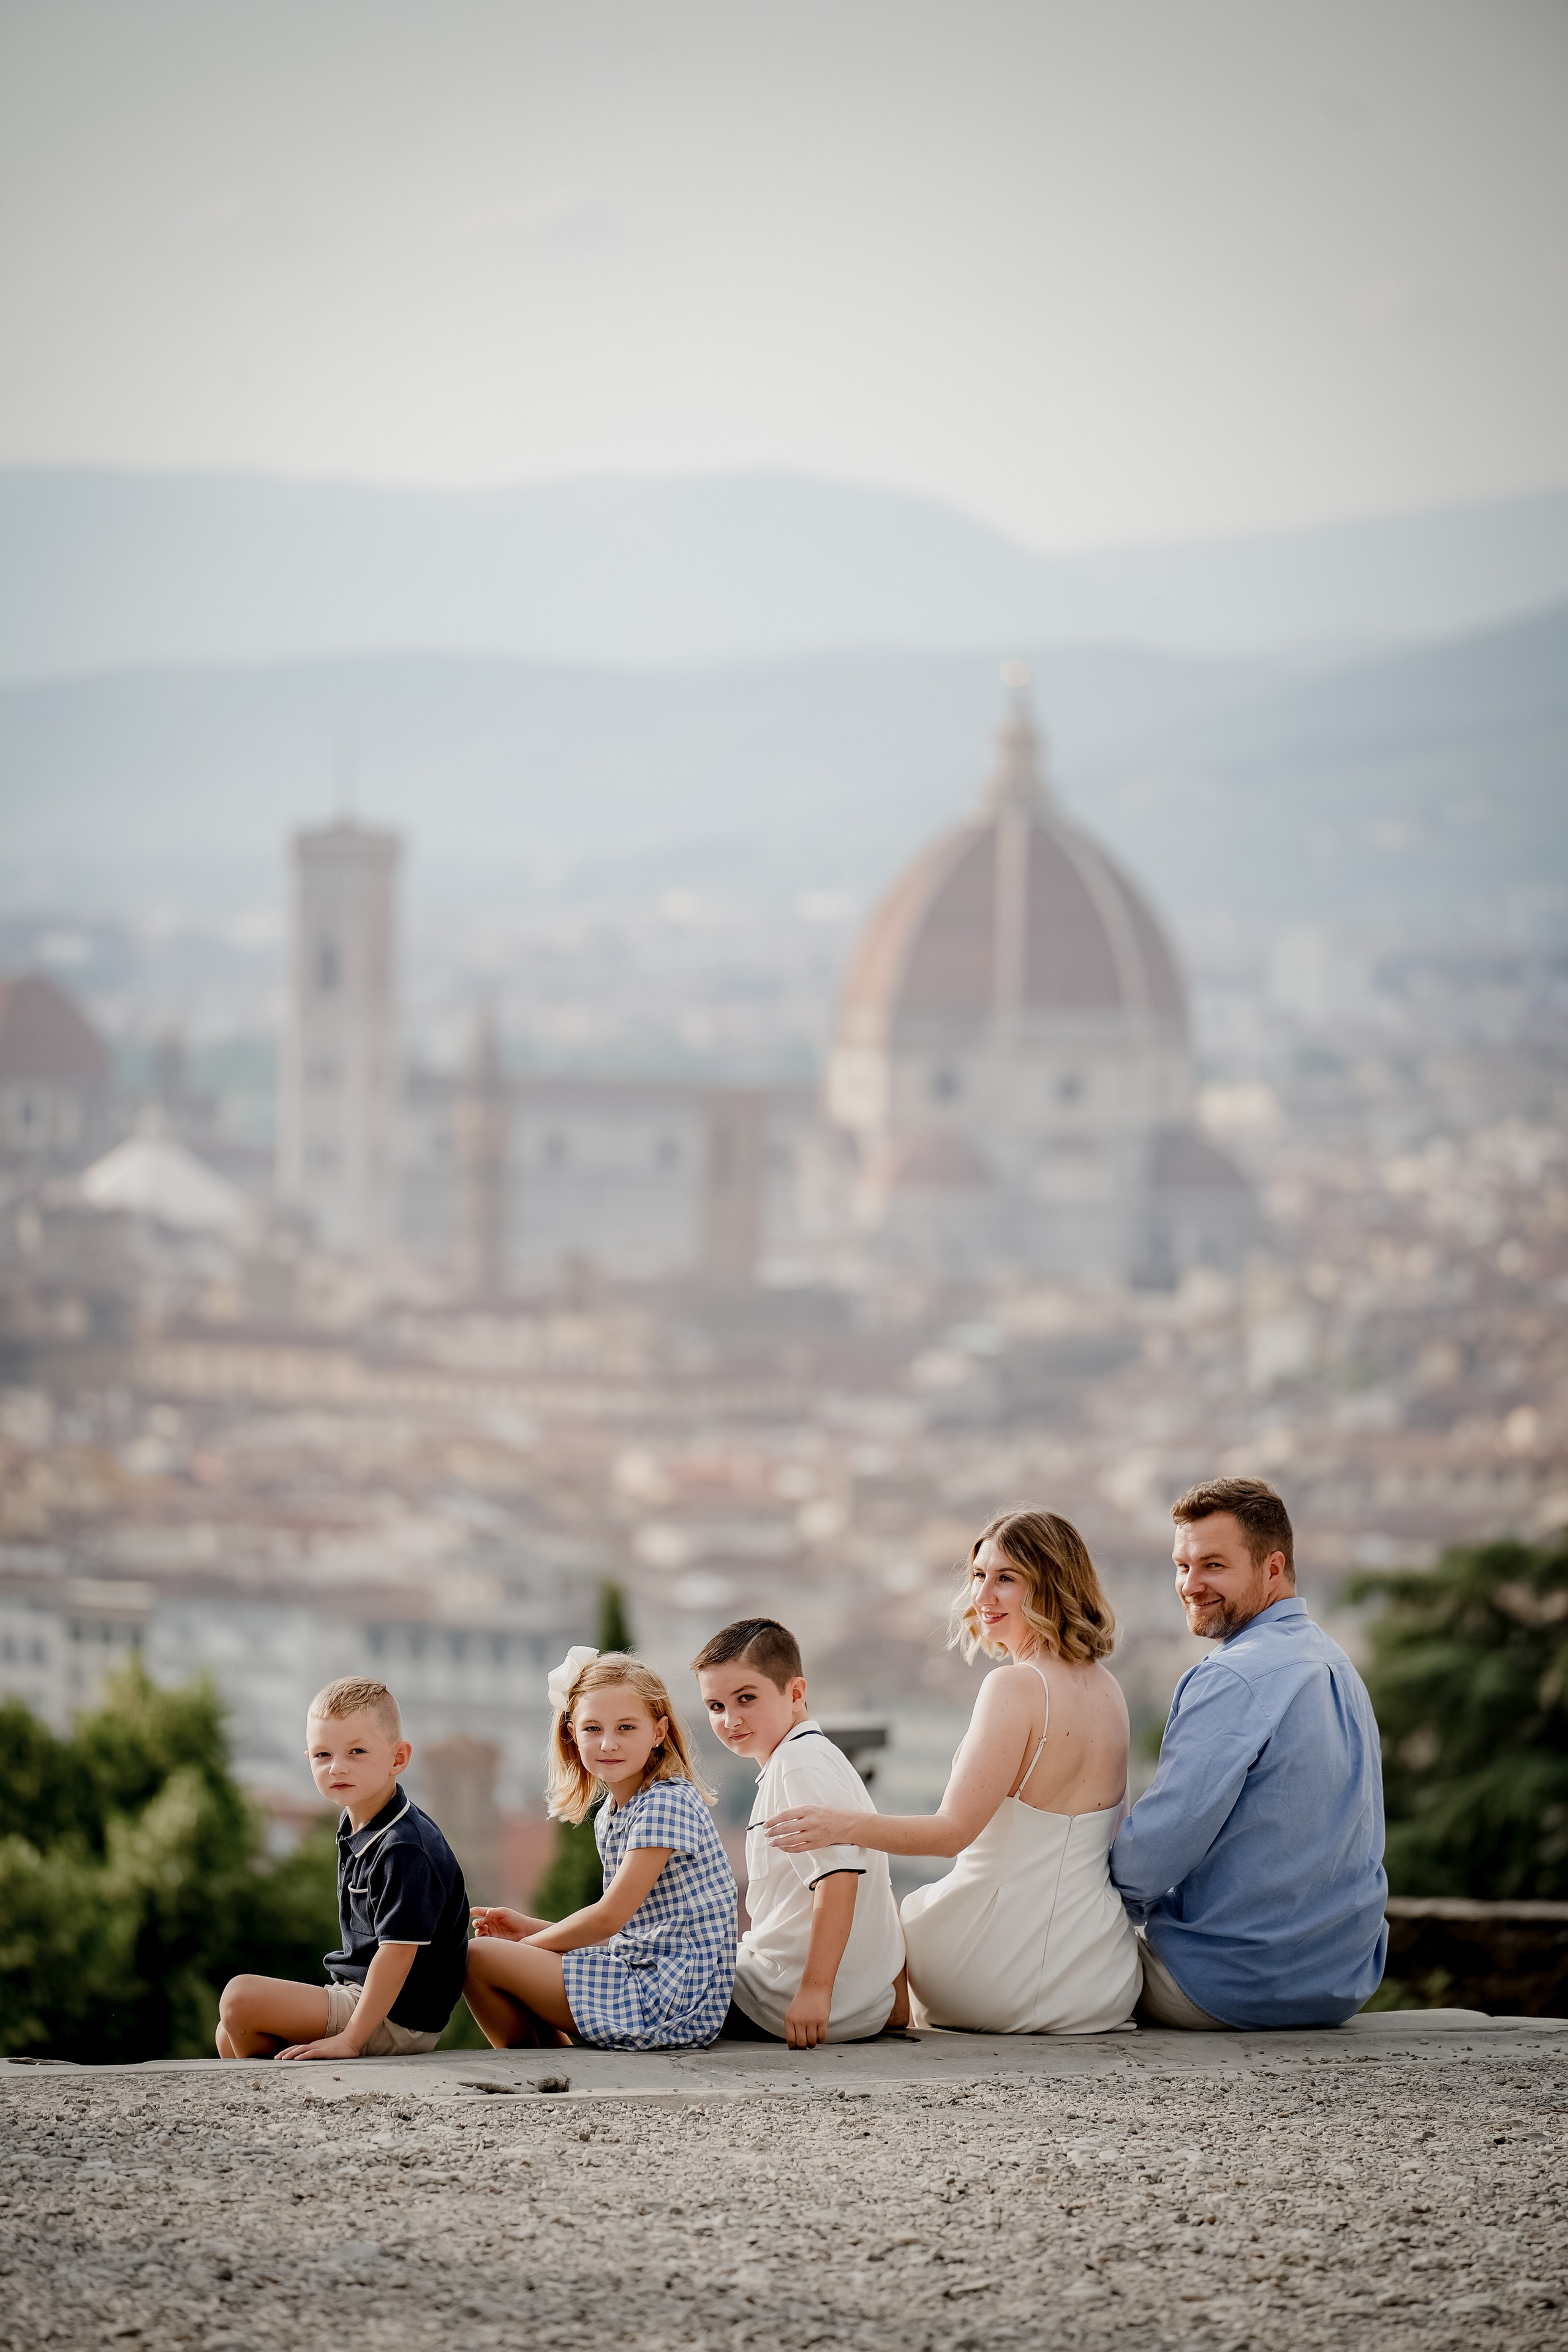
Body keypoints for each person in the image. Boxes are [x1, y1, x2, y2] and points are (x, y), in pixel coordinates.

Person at [767, 1509, 1141, 2035]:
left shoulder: (1015, 1688)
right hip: (1100, 1978)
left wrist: (840, 1824)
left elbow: (951, 1836)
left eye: (1006, 1578)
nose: (981, 1596)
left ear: (1053, 1584)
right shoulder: (1108, 1689)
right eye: (979, 1576)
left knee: (880, 1923)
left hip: (993, 1975)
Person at [1111, 1477, 1388, 2030]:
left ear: (1272, 1568)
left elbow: (1154, 1853)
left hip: (1225, 1986)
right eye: (1182, 1565)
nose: (1190, 1585)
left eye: (1213, 1565)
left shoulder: (1233, 1676)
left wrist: (1090, 1902)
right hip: (1339, 1985)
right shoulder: (1338, 1666)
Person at [464, 1648, 736, 2050]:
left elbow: (609, 1918)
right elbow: (631, 1933)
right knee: (488, 1960)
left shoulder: (667, 1801)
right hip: (640, 1973)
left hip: (668, 1998)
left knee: (477, 1958)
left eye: (626, 1728)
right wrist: (531, 1929)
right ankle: (546, 2066)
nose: (608, 1743)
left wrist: (527, 1949)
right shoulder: (614, 1812)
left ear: (658, 1732)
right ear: (572, 1734)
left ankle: (534, 2068)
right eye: (593, 1729)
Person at [217, 1676, 469, 2060]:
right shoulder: (360, 1823)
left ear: (398, 1758)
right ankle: (284, 2089)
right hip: (360, 1993)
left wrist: (350, 2039)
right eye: (322, 1755)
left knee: (239, 1999)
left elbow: (397, 1953)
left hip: (398, 2017)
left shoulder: (404, 1846)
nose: (337, 1768)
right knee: (228, 2031)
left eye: (356, 1752)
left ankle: (284, 2094)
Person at [692, 1616, 907, 2047]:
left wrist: (814, 1993)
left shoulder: (799, 1764)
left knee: (634, 1985)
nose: (730, 1719)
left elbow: (840, 1878)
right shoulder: (807, 1757)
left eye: (746, 1698)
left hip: (784, 2001)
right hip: (836, 2001)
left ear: (795, 1693)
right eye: (716, 1706)